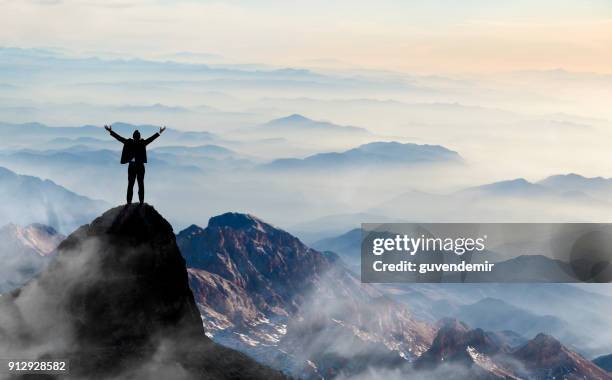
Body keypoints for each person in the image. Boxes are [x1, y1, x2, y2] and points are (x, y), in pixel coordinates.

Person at [104, 124, 166, 204]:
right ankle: (141, 202)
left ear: (133, 137)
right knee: (140, 184)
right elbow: (151, 139)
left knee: (131, 185)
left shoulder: (128, 142)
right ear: (139, 137)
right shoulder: (142, 143)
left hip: (132, 166)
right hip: (140, 166)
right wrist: (159, 132)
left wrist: (110, 131)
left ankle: (129, 202)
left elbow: (119, 138)